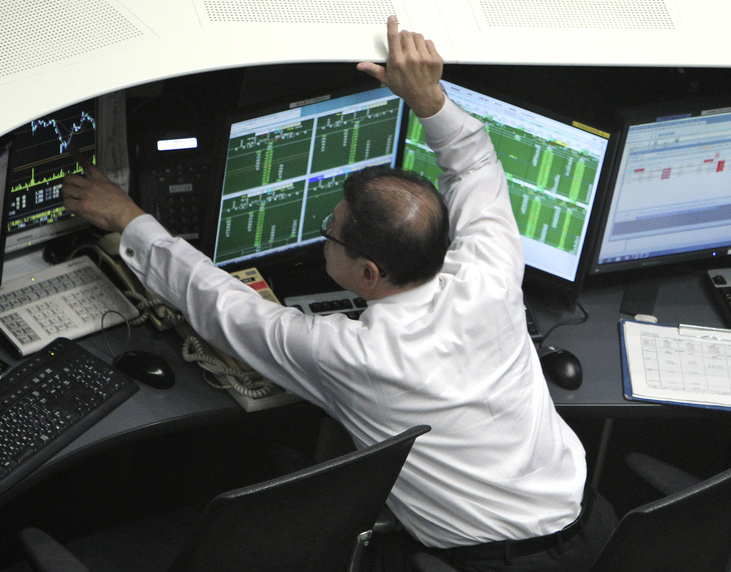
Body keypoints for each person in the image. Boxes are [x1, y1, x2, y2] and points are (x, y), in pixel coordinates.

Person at [63, 15, 616, 571]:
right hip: (597, 525)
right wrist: (429, 99)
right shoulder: (492, 271)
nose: (325, 227)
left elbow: (221, 306)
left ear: (369, 275)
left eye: (330, 231)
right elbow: (474, 163)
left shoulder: (355, 353)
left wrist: (129, 218)